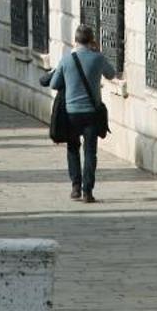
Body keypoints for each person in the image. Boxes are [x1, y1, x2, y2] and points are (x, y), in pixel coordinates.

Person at [42, 24, 116, 203]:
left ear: (75, 41)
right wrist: (97, 52)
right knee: (91, 152)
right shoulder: (97, 58)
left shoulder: (67, 60)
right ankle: (87, 191)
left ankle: (75, 186)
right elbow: (111, 74)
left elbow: (53, 84)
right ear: (91, 41)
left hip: (71, 112)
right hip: (92, 112)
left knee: (72, 148)